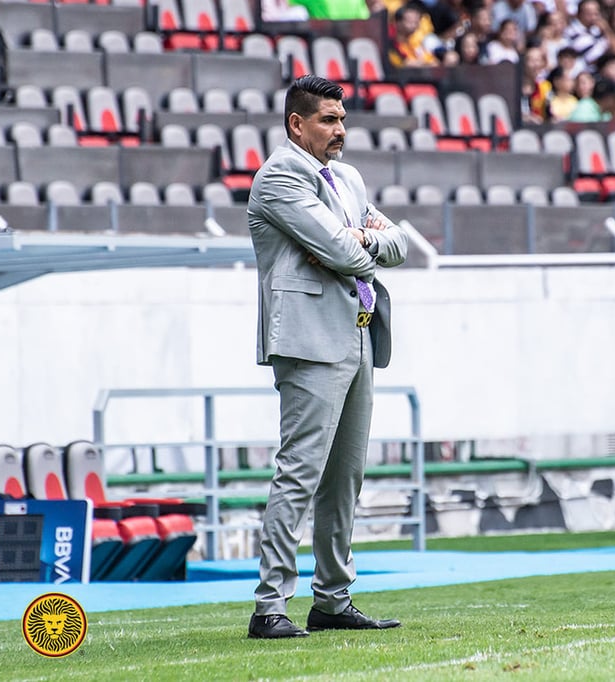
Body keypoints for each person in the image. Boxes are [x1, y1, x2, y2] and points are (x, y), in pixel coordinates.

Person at [246, 75, 408, 639]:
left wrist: (357, 241)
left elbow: (401, 244)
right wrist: (357, 241)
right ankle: (270, 606)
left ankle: (333, 600)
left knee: (346, 478)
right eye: (328, 120)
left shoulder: (348, 178)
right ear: (297, 123)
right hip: (309, 341)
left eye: (342, 119)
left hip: (358, 332)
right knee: (300, 473)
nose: (340, 130)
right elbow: (345, 251)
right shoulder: (277, 179)